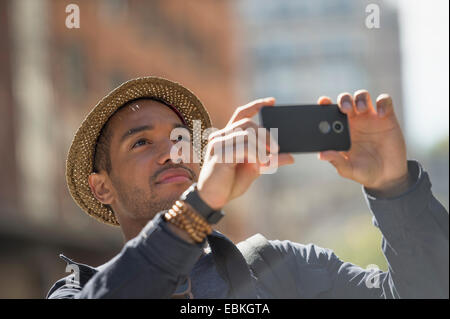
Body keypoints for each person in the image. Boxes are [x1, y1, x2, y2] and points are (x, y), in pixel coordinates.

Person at [47, 76, 448, 299]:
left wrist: (395, 189)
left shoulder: (281, 268)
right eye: (141, 142)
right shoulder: (76, 291)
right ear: (102, 188)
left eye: (181, 137)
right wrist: (197, 207)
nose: (172, 152)